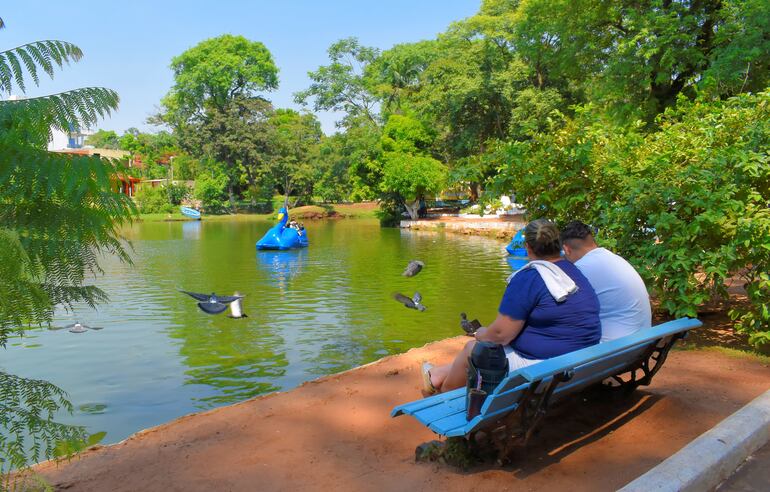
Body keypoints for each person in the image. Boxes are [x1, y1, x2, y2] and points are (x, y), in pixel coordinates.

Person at [423, 219, 601, 395]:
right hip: (583, 361)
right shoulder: (573, 271)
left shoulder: (529, 277)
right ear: (558, 244)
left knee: (474, 348)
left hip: (547, 371)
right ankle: (438, 374)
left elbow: (499, 335)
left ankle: (444, 397)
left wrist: (482, 333)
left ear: (528, 247)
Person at [560, 221, 652, 342]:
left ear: (566, 249)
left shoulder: (581, 268)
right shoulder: (614, 259)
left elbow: (562, 312)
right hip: (640, 343)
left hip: (614, 349)